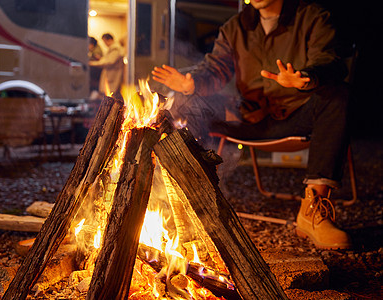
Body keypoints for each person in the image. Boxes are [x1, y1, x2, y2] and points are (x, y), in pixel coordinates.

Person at [152, 0, 352, 250]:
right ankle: (188, 202)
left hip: (298, 113)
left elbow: (329, 59)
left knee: (338, 94)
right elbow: (214, 70)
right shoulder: (236, 27)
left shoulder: (311, 17)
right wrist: (191, 84)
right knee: (188, 102)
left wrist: (306, 78)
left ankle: (314, 209)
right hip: (250, 118)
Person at [89, 33, 124, 99]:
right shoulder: (113, 48)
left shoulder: (115, 48)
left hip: (112, 76)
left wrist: (93, 63)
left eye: (104, 42)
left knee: (111, 96)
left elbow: (109, 61)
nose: (105, 44)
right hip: (110, 76)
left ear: (109, 40)